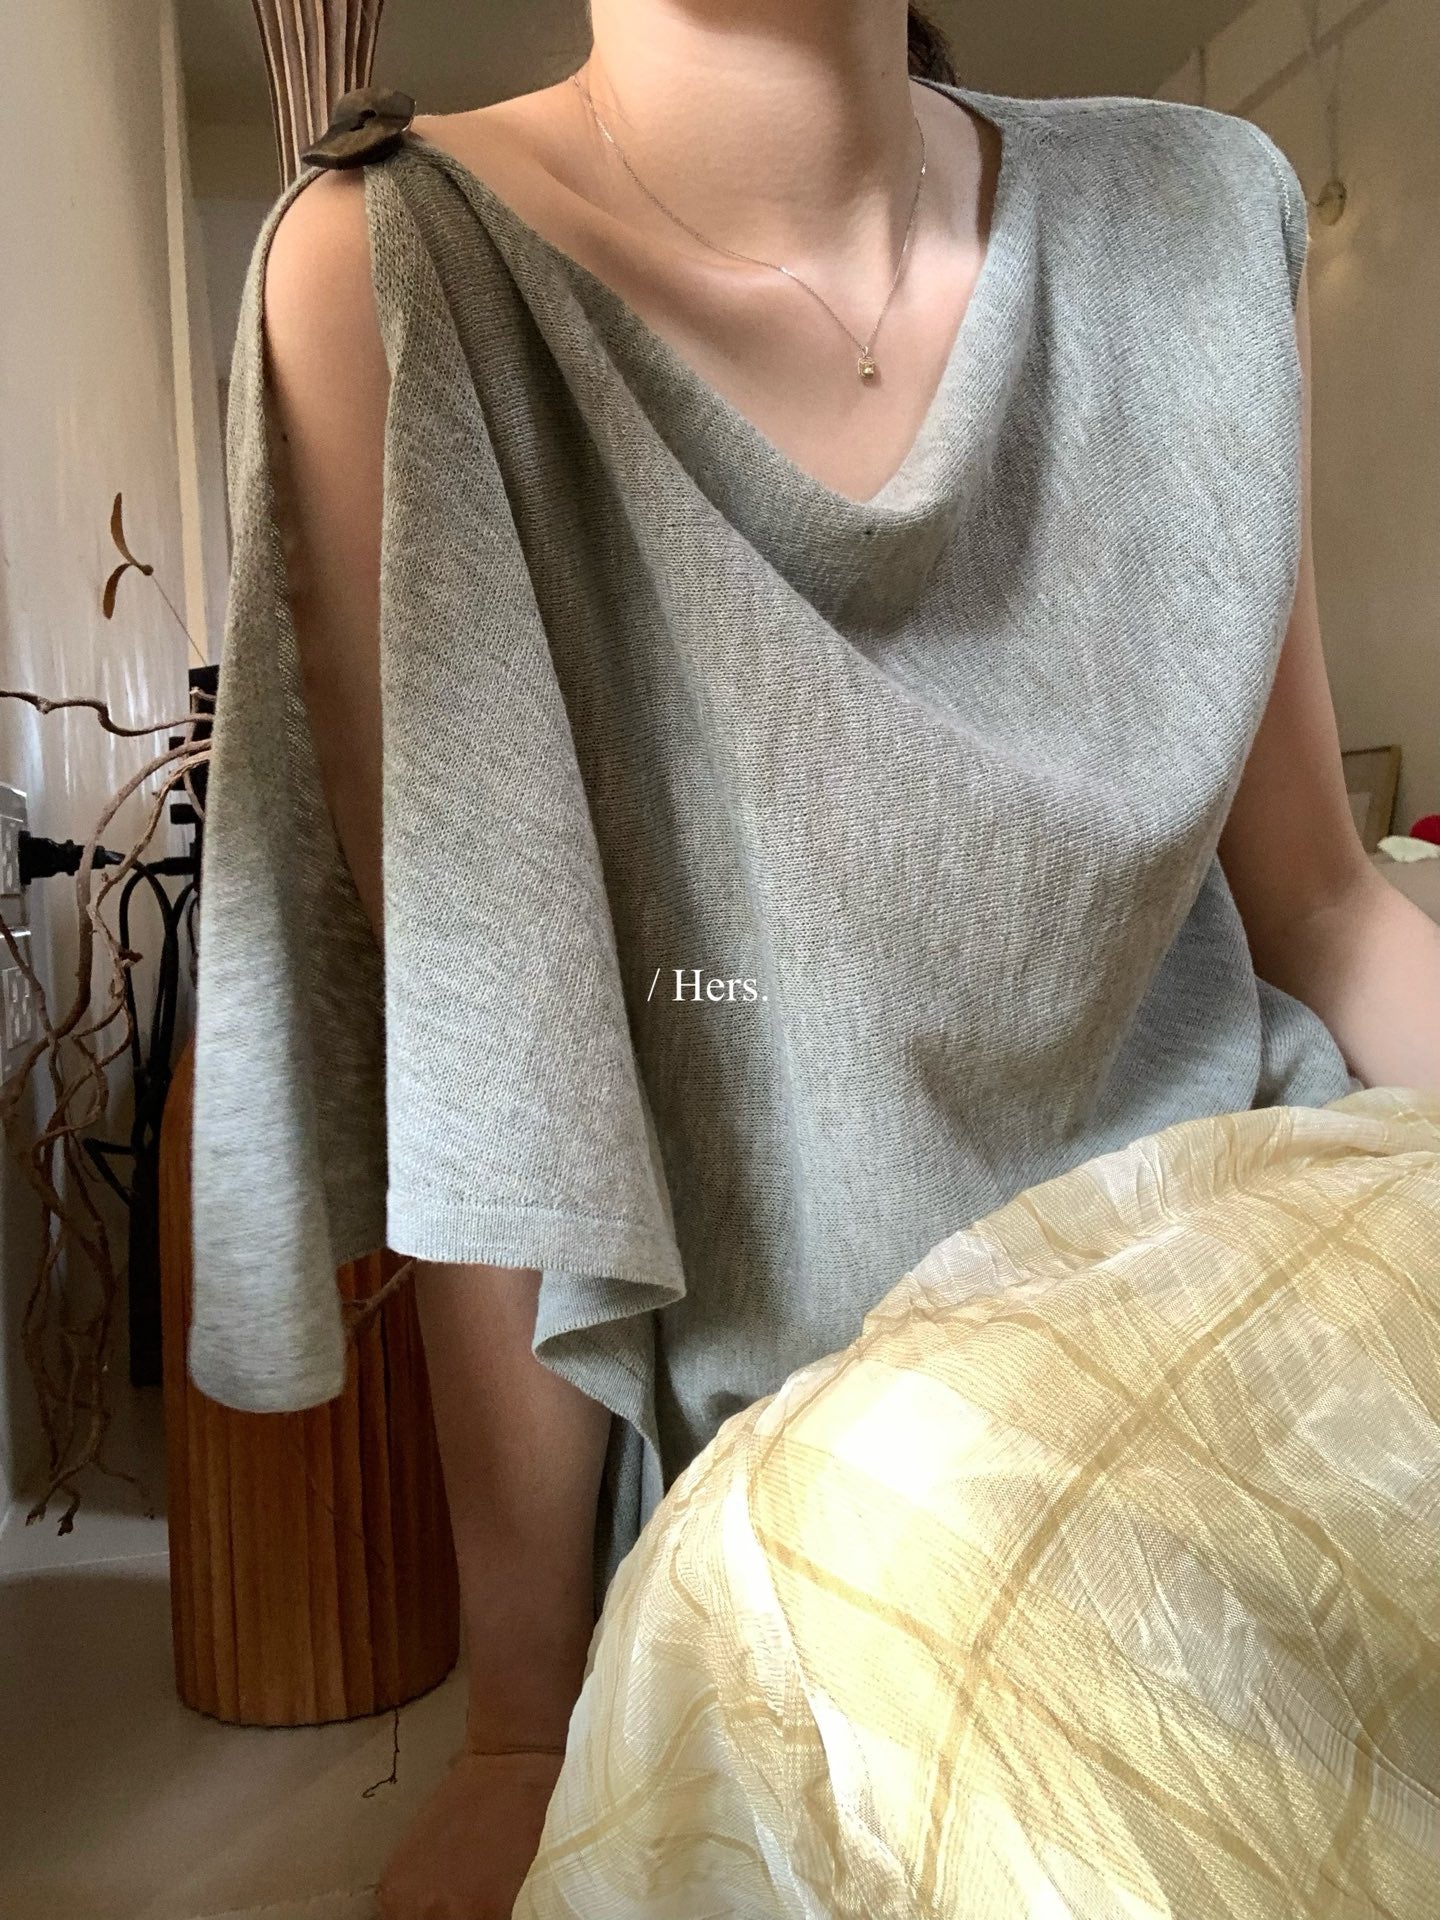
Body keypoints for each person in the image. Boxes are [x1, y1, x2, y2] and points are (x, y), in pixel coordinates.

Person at [195, 2, 1440, 1915]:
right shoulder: (392, 277)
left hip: (1273, 1268)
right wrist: (522, 1731)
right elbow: (504, 1065)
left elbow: (1327, 910)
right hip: (856, 1463)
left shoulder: (1206, 217)